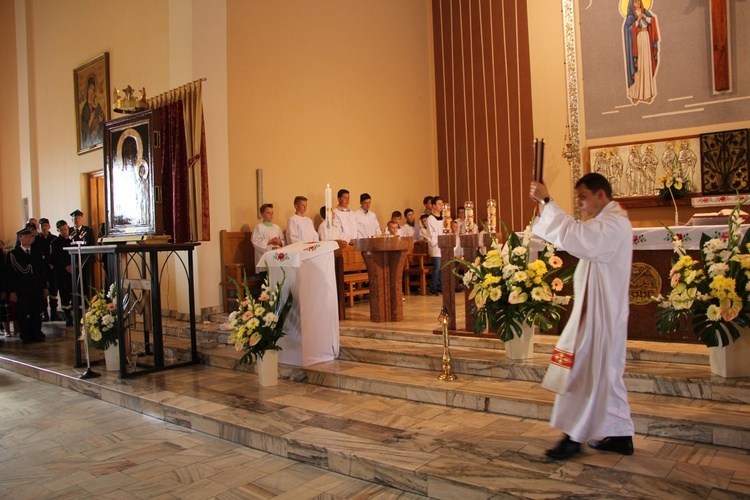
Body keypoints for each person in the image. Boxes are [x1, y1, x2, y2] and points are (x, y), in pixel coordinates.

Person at [529, 172, 634, 461]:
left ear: (601, 195)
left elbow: (580, 238)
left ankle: (572, 438)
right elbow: (574, 236)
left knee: (585, 374)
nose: (580, 203)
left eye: (583, 197)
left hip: (602, 316)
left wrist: (548, 201)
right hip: (599, 312)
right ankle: (621, 434)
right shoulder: (606, 222)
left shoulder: (613, 225)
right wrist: (545, 206)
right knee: (606, 376)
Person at [6, 228, 49, 344]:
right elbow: (10, 275)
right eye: (25, 236)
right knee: (23, 312)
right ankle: (25, 334)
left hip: (36, 287)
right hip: (22, 289)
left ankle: (36, 332)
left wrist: (45, 287)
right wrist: (12, 291)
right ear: (20, 238)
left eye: (31, 236)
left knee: (37, 310)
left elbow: (42, 271)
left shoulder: (37, 252)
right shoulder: (13, 254)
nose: (28, 239)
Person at [623, 0, 659, 104]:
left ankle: (647, 94)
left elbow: (652, 22)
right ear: (631, 3)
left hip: (646, 41)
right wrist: (637, 21)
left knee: (646, 66)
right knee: (638, 67)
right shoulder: (630, 17)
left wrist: (644, 16)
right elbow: (628, 30)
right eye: (635, 2)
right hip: (637, 43)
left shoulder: (645, 12)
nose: (637, 3)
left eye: (638, 1)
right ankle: (635, 95)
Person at [51, 220, 74, 326]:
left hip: (74, 272)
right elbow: (55, 258)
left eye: (65, 228)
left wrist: (74, 266)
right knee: (64, 294)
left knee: (74, 293)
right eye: (61, 230)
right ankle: (68, 316)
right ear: (58, 230)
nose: (64, 231)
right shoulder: (55, 243)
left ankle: (77, 315)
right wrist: (65, 267)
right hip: (62, 273)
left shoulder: (74, 240)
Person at [251, 203, 285, 273]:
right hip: (264, 257)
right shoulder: (259, 227)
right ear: (262, 214)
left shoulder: (276, 227)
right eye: (268, 213)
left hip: (276, 258)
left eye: (272, 213)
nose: (271, 215)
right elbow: (255, 241)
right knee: (265, 280)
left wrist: (280, 242)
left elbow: (283, 240)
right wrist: (270, 242)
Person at [69, 209, 95, 296]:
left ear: (82, 219)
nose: (76, 220)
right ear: (72, 220)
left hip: (86, 260)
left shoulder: (88, 230)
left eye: (78, 218)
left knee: (86, 282)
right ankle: (76, 302)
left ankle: (87, 301)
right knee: (75, 282)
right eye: (75, 218)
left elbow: (92, 244)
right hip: (74, 260)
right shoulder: (69, 231)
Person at [37, 218, 59, 321]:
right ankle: (45, 314)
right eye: (42, 226)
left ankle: (54, 313)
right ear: (39, 228)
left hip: (53, 271)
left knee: (54, 292)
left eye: (46, 225)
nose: (44, 228)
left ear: (49, 227)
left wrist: (53, 264)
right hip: (42, 271)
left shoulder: (54, 239)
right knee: (43, 293)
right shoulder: (36, 240)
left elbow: (57, 255)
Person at [80, 76, 105, 149]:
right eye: (91, 88)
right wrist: (90, 121)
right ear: (87, 90)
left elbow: (104, 123)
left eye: (94, 89)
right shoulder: (84, 110)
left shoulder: (97, 106)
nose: (92, 91)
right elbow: (83, 129)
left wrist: (101, 121)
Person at [427, 196, 444, 295]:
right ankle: (433, 287)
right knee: (437, 266)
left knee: (443, 266)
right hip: (436, 245)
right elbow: (431, 232)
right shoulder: (430, 218)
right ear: (433, 206)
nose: (441, 206)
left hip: (443, 245)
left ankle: (440, 285)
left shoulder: (445, 218)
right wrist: (439, 238)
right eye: (439, 204)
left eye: (442, 204)